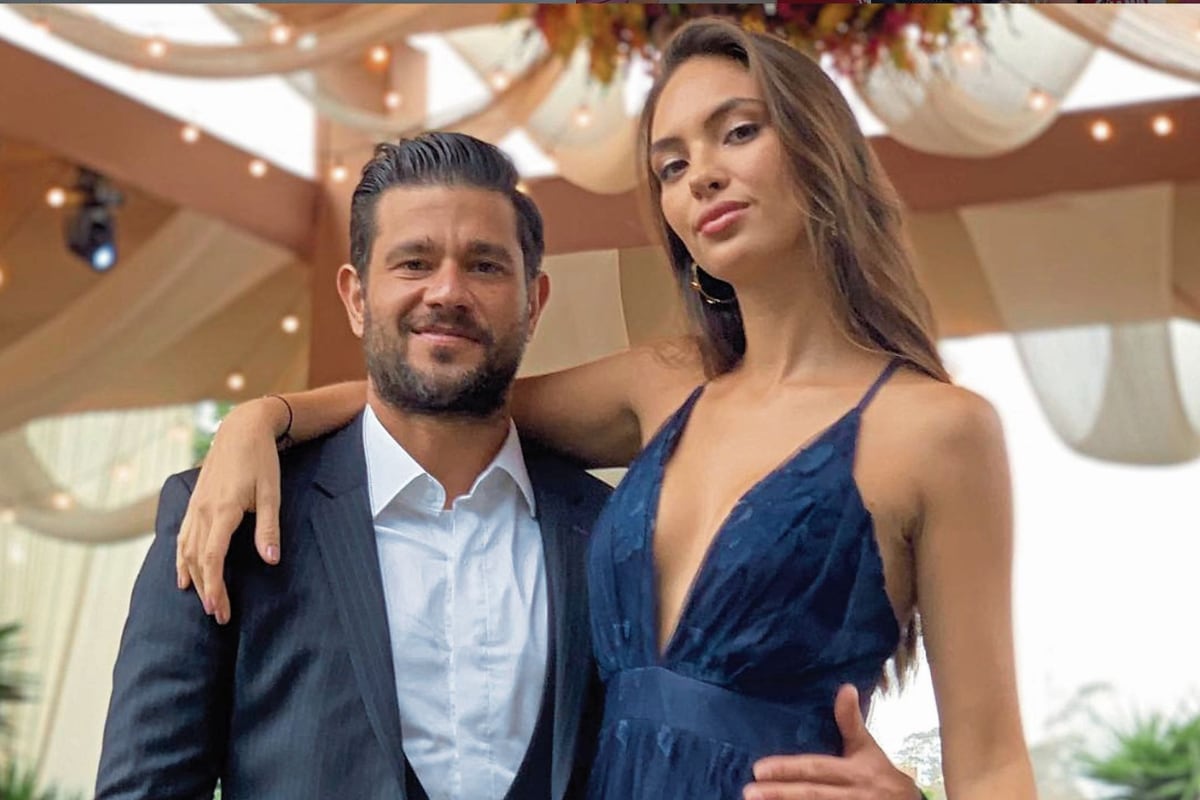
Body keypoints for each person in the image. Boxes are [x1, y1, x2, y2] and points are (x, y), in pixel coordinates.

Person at [177, 18, 1034, 800]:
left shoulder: (938, 432)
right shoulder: (663, 385)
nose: (702, 174)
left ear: (823, 148)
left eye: (739, 131)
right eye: (671, 165)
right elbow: (439, 397)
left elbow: (994, 760)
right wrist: (263, 420)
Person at [98, 130, 918, 800]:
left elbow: (713, 735)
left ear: (534, 301)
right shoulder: (230, 513)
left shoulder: (615, 542)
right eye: (414, 262)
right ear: (355, 296)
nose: (447, 292)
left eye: (485, 265)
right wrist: (264, 418)